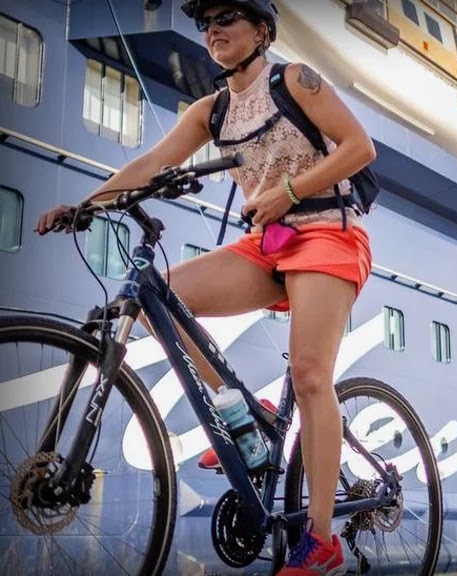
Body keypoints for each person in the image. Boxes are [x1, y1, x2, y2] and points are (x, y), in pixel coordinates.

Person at [36, 1, 376, 573]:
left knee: (311, 375)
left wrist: (288, 192)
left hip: (327, 231)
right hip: (267, 244)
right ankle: (241, 411)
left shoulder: (292, 78)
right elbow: (153, 160)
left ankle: (321, 543)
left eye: (226, 18)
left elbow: (359, 148)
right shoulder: (210, 110)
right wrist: (85, 206)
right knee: (157, 296)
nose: (213, 30)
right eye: (206, 23)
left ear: (261, 30)